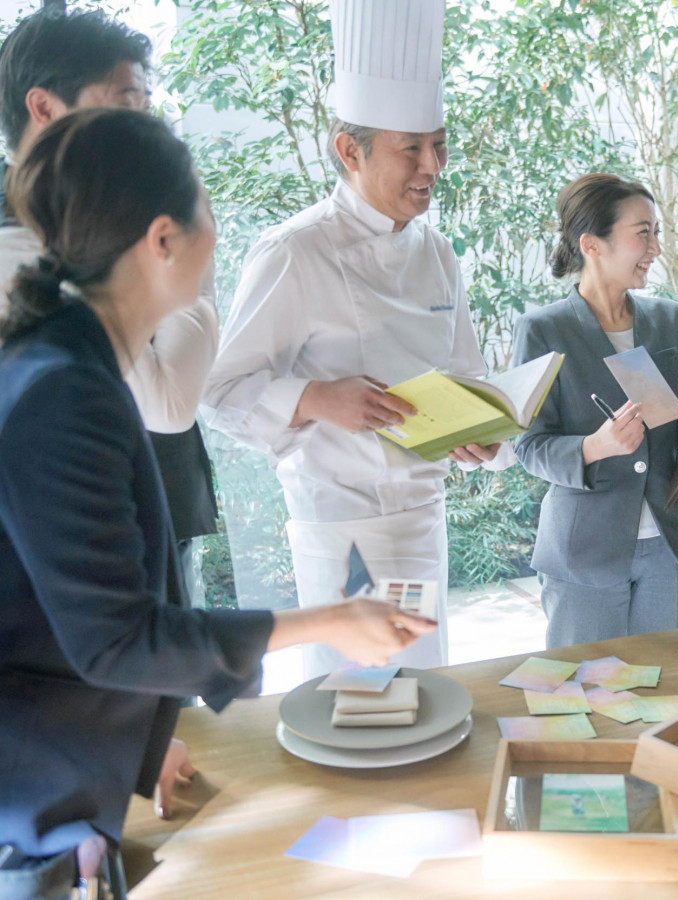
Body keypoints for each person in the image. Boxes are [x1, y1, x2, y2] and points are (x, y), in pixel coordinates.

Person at [0, 107, 435, 900]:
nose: (218, 229)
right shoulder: (63, 391)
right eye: (205, 206)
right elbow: (118, 638)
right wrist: (335, 620)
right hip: (30, 802)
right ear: (162, 239)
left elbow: (78, 609)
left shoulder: (70, 362)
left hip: (65, 776)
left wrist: (144, 736)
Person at [202, 0, 513, 678]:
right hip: (339, 528)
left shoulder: (438, 253)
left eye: (439, 144)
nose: (432, 165)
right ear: (350, 149)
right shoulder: (293, 252)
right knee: (353, 709)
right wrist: (314, 397)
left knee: (424, 696)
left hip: (424, 521)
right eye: (411, 148)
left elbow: (467, 374)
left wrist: (483, 436)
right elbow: (219, 393)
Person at [0, 7, 221, 610]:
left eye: (146, 105)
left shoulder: (132, 215)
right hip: (67, 553)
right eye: (126, 103)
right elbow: (169, 399)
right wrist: (185, 266)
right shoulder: (12, 247)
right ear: (43, 108)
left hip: (161, 514)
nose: (144, 128)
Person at [510, 173, 678, 648]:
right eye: (642, 232)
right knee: (587, 695)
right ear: (593, 244)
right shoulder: (542, 330)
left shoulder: (668, 319)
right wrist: (594, 447)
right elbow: (527, 445)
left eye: (657, 233)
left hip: (670, 546)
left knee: (664, 691)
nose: (654, 247)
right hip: (584, 552)